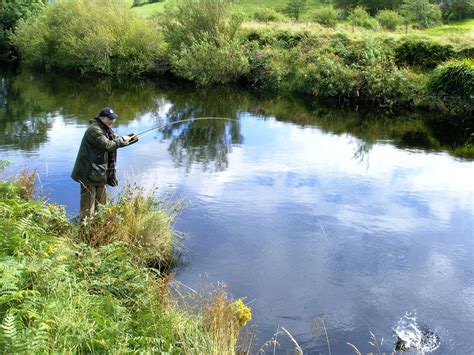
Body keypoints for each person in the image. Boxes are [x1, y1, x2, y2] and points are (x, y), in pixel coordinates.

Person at [71, 107, 138, 220]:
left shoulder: (106, 129)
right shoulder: (94, 130)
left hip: (99, 173)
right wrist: (122, 139)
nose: (112, 121)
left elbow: (115, 141)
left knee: (101, 207)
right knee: (88, 210)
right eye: (110, 119)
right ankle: (84, 234)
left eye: (114, 119)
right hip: (88, 175)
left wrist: (131, 139)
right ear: (102, 118)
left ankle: (99, 232)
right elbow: (107, 145)